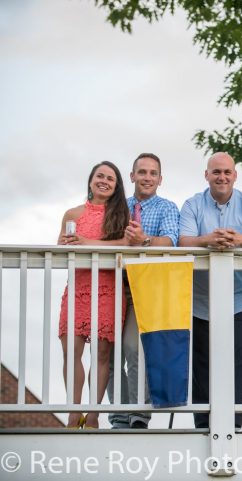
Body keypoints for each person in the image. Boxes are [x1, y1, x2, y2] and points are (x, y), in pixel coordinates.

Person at [178, 152, 242, 429]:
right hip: (197, 302)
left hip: (236, 301)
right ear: (206, 175)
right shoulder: (193, 204)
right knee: (200, 369)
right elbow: (183, 242)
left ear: (235, 175)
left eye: (227, 172)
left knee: (238, 367)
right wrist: (210, 239)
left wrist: (239, 239)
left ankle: (234, 427)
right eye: (216, 172)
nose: (222, 177)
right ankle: (202, 428)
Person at [107, 153, 180, 429]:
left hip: (145, 287)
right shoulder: (118, 207)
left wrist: (144, 240)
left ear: (160, 179)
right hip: (113, 285)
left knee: (132, 348)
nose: (147, 177)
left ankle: (139, 414)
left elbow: (171, 242)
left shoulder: (167, 208)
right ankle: (119, 416)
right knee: (110, 352)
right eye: (142, 172)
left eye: (152, 173)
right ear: (132, 176)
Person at [57, 161, 130, 428]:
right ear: (90, 180)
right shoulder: (72, 214)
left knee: (101, 356)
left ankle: (94, 414)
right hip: (77, 288)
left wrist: (88, 244)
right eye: (100, 176)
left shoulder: (122, 215)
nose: (104, 181)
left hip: (108, 290)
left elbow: (126, 244)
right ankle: (74, 413)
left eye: (111, 178)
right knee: (71, 352)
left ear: (116, 185)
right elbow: (60, 247)